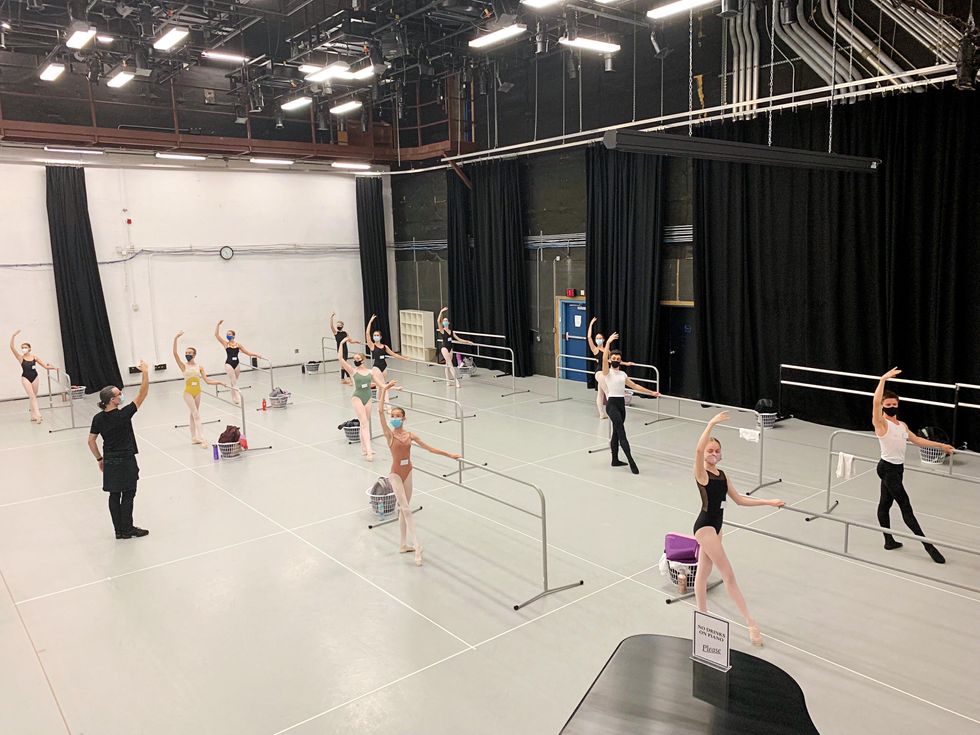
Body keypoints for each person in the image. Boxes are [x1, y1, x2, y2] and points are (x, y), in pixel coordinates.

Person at [693, 411, 784, 646]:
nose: (713, 454)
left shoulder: (722, 475)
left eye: (716, 451)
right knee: (728, 574)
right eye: (710, 450)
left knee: (703, 571)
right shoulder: (701, 474)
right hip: (705, 528)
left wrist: (767, 501)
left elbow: (740, 500)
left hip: (717, 526)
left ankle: (701, 615)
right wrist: (711, 423)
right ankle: (751, 623)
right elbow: (698, 450)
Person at [873, 368, 953, 564]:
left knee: (885, 504)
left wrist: (941, 445)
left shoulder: (902, 425)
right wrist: (883, 379)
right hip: (888, 468)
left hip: (897, 469)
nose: (892, 406)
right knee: (905, 507)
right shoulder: (881, 423)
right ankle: (929, 546)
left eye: (894, 404)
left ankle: (888, 541)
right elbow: (874, 402)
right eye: (888, 404)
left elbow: (917, 440)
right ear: (883, 406)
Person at [379, 380, 461, 566]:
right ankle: (416, 545)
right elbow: (379, 412)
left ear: (404, 418)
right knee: (406, 509)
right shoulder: (389, 434)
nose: (394, 418)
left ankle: (403, 544)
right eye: (393, 415)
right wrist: (384, 390)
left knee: (404, 509)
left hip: (408, 472)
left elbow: (429, 449)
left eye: (398, 415)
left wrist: (450, 455)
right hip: (396, 475)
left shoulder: (410, 436)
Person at [87, 361, 151, 539]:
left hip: (110, 459)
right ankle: (128, 528)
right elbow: (143, 393)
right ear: (112, 400)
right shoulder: (123, 415)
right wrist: (145, 373)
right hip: (125, 459)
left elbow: (91, 440)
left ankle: (119, 531)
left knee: (114, 494)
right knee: (129, 493)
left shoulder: (98, 418)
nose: (122, 396)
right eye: (119, 394)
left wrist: (100, 459)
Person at [600, 333, 660, 474]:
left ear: (620, 361)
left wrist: (651, 392)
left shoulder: (623, 375)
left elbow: (635, 386)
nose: (616, 360)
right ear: (610, 360)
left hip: (621, 405)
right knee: (621, 432)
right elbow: (603, 359)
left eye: (618, 359)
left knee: (616, 432)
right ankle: (631, 461)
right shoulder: (607, 372)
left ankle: (615, 460)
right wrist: (608, 342)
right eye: (613, 358)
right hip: (612, 405)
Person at [173, 332, 226, 447]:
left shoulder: (199, 367)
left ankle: (193, 438)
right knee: (196, 414)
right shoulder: (183, 366)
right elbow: (175, 354)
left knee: (193, 414)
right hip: (188, 392)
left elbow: (207, 380)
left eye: (190, 353)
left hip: (198, 392)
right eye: (186, 353)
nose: (187, 354)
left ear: (194, 354)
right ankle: (202, 439)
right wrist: (176, 338)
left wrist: (219, 382)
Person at [587, 318, 638, 419]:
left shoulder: (608, 351)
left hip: (607, 372)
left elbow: (614, 360)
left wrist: (627, 363)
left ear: (604, 340)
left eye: (600, 338)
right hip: (600, 372)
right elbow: (589, 337)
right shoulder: (595, 349)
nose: (598, 340)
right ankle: (612, 411)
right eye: (597, 338)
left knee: (601, 393)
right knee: (607, 391)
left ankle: (602, 414)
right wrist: (591, 324)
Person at [339, 337, 376, 460]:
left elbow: (378, 384)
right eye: (354, 359)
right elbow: (340, 359)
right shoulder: (353, 371)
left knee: (364, 423)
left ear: (363, 360)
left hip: (368, 397)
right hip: (357, 397)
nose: (355, 361)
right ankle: (369, 451)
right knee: (364, 423)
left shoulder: (370, 372)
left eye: (358, 359)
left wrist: (390, 387)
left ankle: (363, 448)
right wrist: (342, 343)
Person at [10, 330, 56, 424]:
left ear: (30, 349)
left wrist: (54, 368)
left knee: (33, 396)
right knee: (32, 396)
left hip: (35, 377)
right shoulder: (20, 358)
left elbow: (45, 366)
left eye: (25, 347)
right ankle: (38, 414)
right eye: (22, 348)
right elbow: (11, 347)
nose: (24, 349)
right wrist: (13, 336)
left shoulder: (35, 357)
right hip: (25, 377)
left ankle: (33, 416)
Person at [213, 320, 264, 405]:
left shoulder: (238, 345)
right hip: (228, 364)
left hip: (236, 364)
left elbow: (247, 353)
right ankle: (238, 396)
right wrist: (218, 325)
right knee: (234, 381)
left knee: (234, 381)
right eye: (227, 334)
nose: (227, 335)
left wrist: (257, 355)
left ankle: (234, 397)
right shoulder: (226, 344)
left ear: (233, 335)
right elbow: (216, 335)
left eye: (229, 334)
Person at [436, 307, 476, 388]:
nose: (445, 322)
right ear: (443, 323)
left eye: (446, 320)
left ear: (449, 322)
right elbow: (438, 321)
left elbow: (459, 339)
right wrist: (441, 311)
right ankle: (456, 381)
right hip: (444, 348)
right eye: (444, 321)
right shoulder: (442, 330)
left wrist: (468, 341)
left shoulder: (451, 332)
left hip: (450, 349)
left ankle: (447, 381)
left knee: (447, 364)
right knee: (450, 365)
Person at [365, 314, 409, 384]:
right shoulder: (372, 345)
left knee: (383, 384)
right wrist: (370, 321)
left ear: (380, 337)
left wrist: (404, 358)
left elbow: (394, 354)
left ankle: (384, 395)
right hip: (376, 367)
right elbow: (367, 333)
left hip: (384, 366)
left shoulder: (385, 347)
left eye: (377, 335)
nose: (376, 336)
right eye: (374, 335)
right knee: (378, 384)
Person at [331, 313, 359, 385]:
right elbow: (331, 326)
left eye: (340, 325)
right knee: (344, 364)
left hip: (345, 350)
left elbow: (350, 340)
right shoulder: (335, 333)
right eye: (337, 325)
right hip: (340, 350)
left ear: (342, 326)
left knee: (343, 365)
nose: (338, 326)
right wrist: (331, 317)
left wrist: (356, 341)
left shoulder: (345, 333)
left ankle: (343, 379)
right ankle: (349, 379)